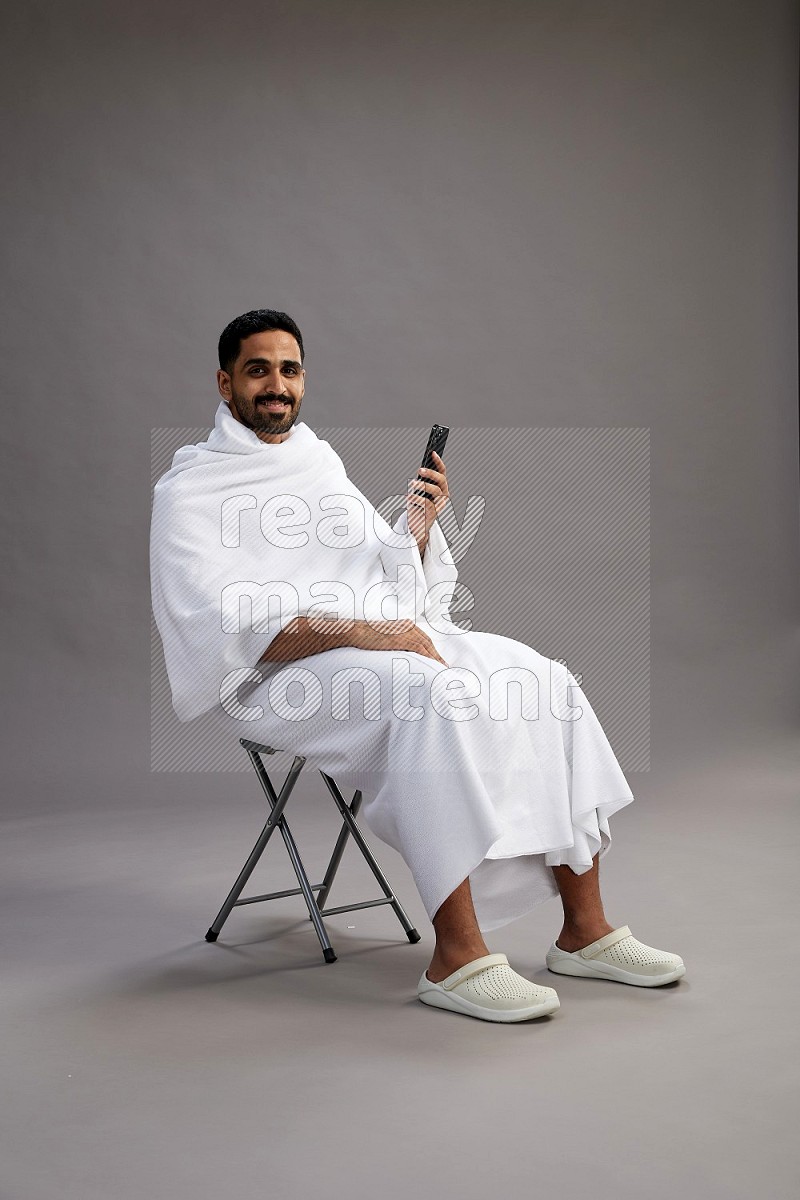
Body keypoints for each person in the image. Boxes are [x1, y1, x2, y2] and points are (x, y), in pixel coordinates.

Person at [150, 308, 686, 1024]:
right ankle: (455, 956)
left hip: (367, 641)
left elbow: (388, 579)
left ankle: (582, 931)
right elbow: (216, 624)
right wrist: (365, 632)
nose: (277, 386)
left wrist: (419, 531)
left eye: (290, 369)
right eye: (258, 370)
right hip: (274, 674)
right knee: (424, 692)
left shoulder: (316, 461)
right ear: (225, 382)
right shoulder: (188, 491)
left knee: (540, 678)